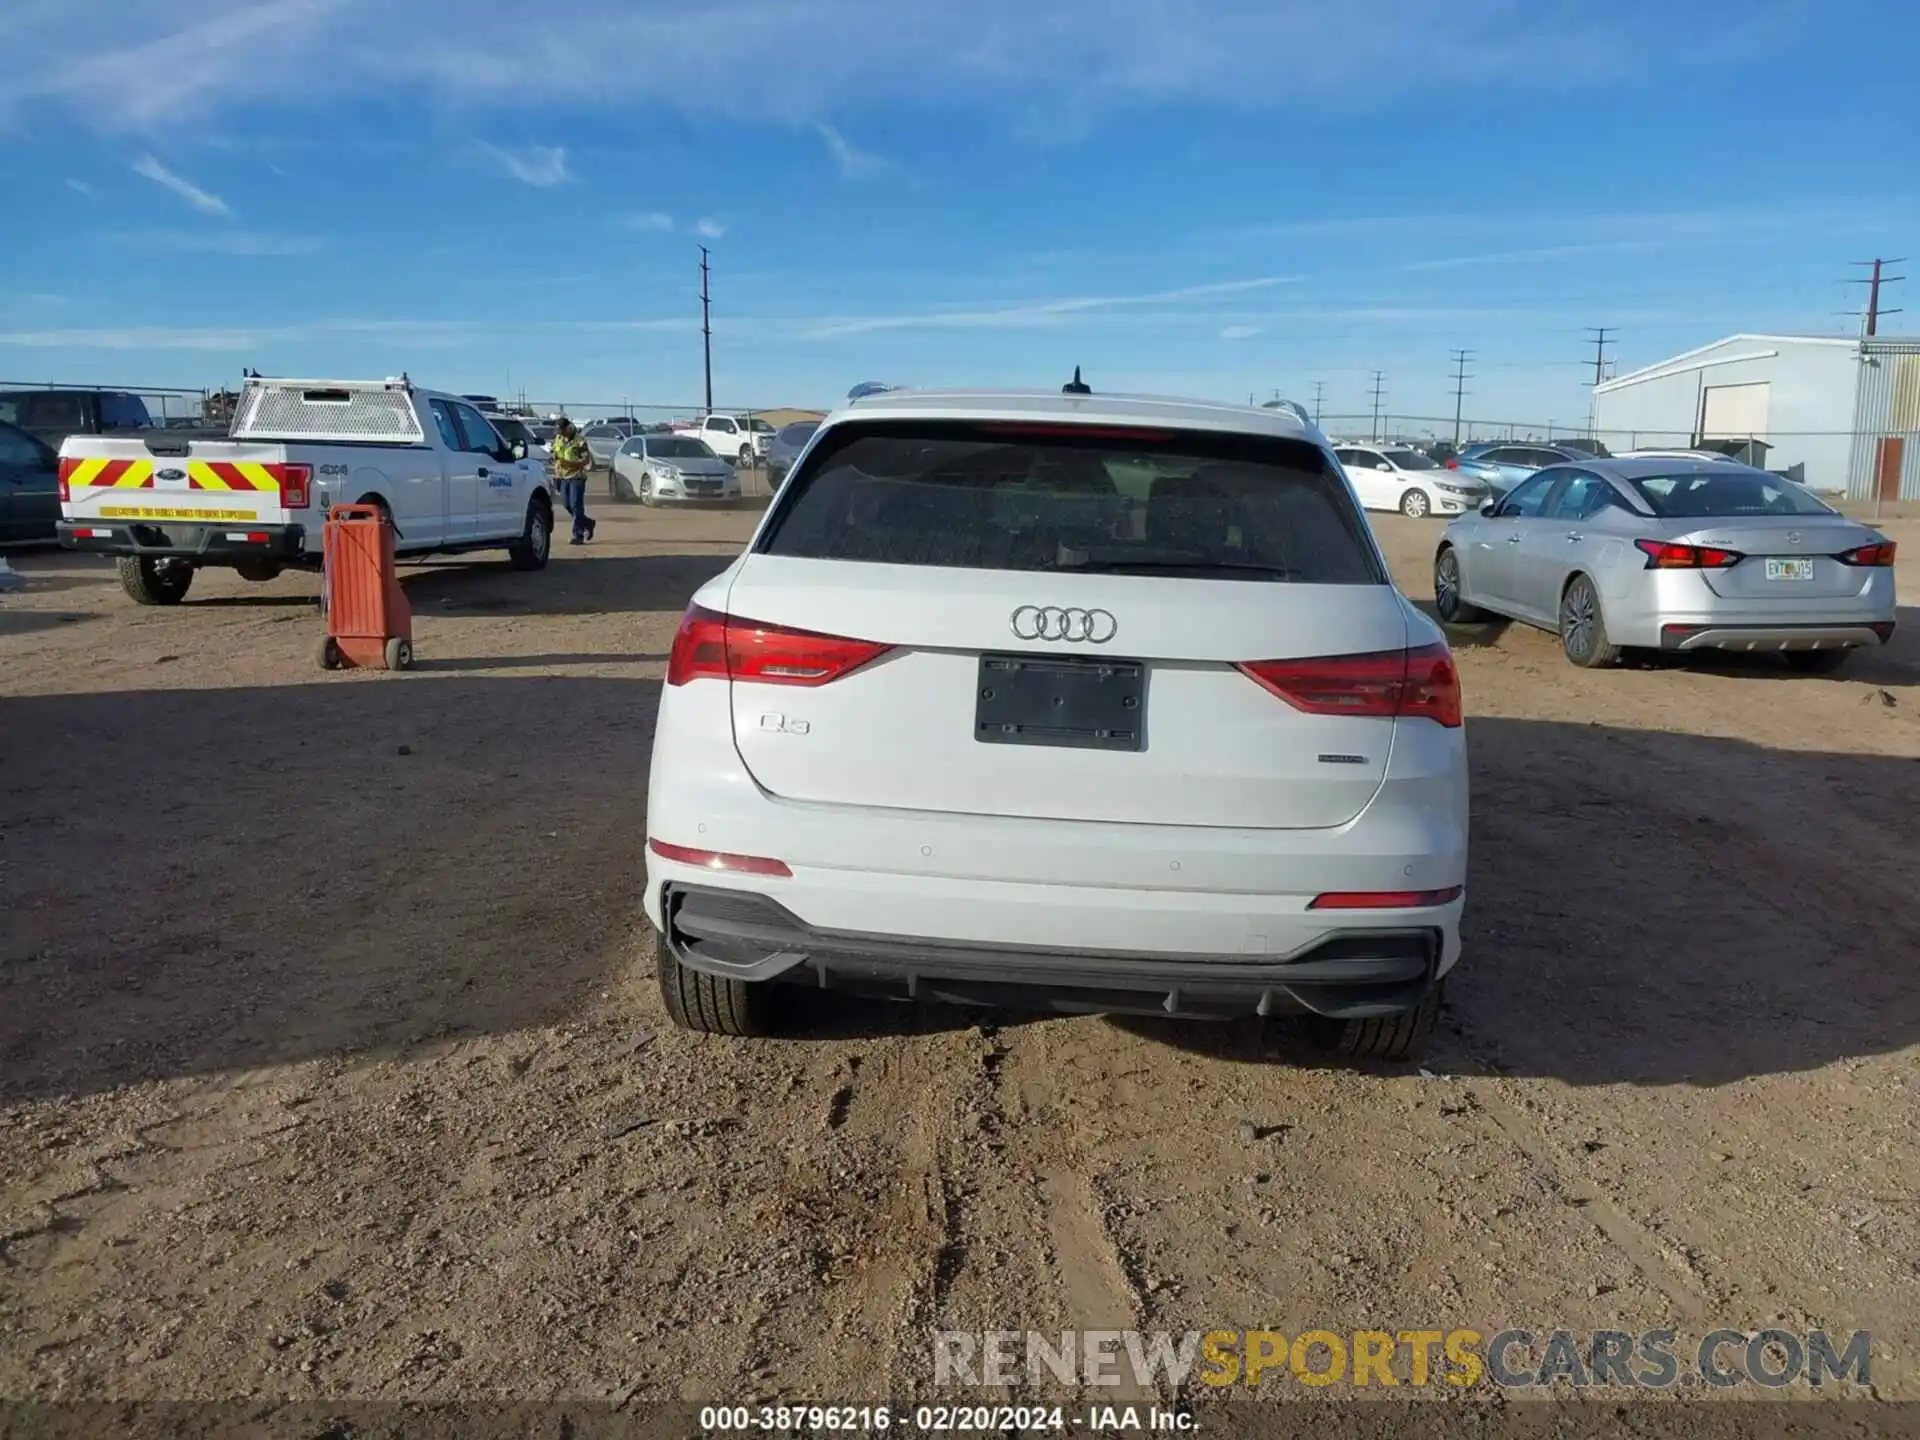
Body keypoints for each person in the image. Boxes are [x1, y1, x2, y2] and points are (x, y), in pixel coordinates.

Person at [549, 418, 596, 545]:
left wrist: (568, 463)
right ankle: (588, 523)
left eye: (563, 431)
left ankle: (578, 534)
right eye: (559, 431)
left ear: (569, 428)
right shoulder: (558, 439)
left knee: (576, 505)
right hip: (562, 477)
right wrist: (554, 460)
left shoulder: (579, 441)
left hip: (577, 476)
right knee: (567, 505)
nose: (561, 434)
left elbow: (585, 461)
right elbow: (554, 453)